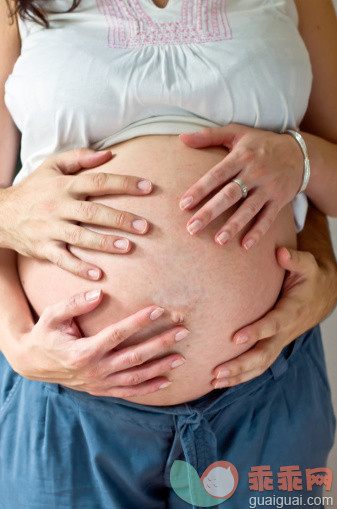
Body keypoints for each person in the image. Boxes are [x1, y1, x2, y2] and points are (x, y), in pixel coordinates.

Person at [0, 0, 336, 506]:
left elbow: (320, 183)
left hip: (266, 387)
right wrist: (15, 339)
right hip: (69, 403)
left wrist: (302, 169)